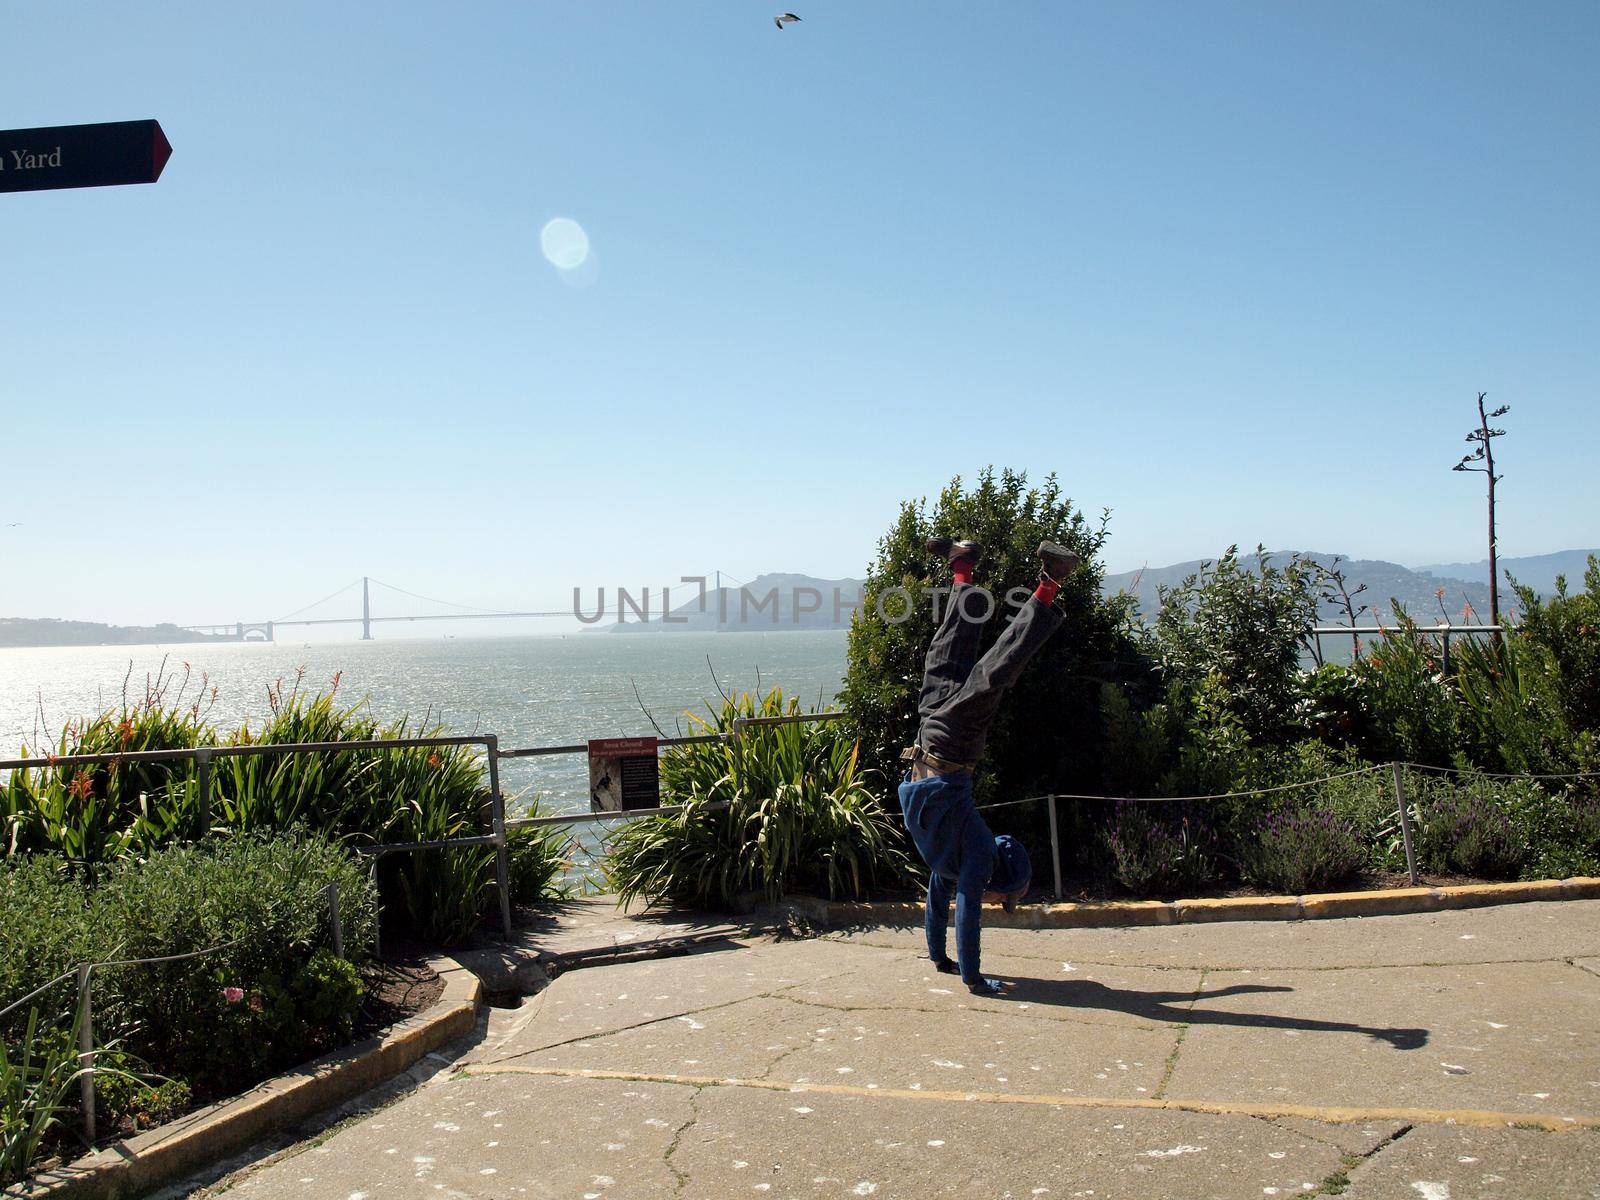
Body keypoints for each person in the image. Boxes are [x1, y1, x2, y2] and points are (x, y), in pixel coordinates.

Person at [898, 535, 1079, 997]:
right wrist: (973, 978)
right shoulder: (977, 854)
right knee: (993, 673)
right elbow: (965, 912)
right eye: (1004, 900)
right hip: (952, 747)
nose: (994, 902)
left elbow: (939, 901)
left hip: (928, 739)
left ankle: (963, 565)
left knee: (945, 655)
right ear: (1001, 882)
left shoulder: (952, 862)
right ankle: (1050, 581)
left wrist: (939, 958)